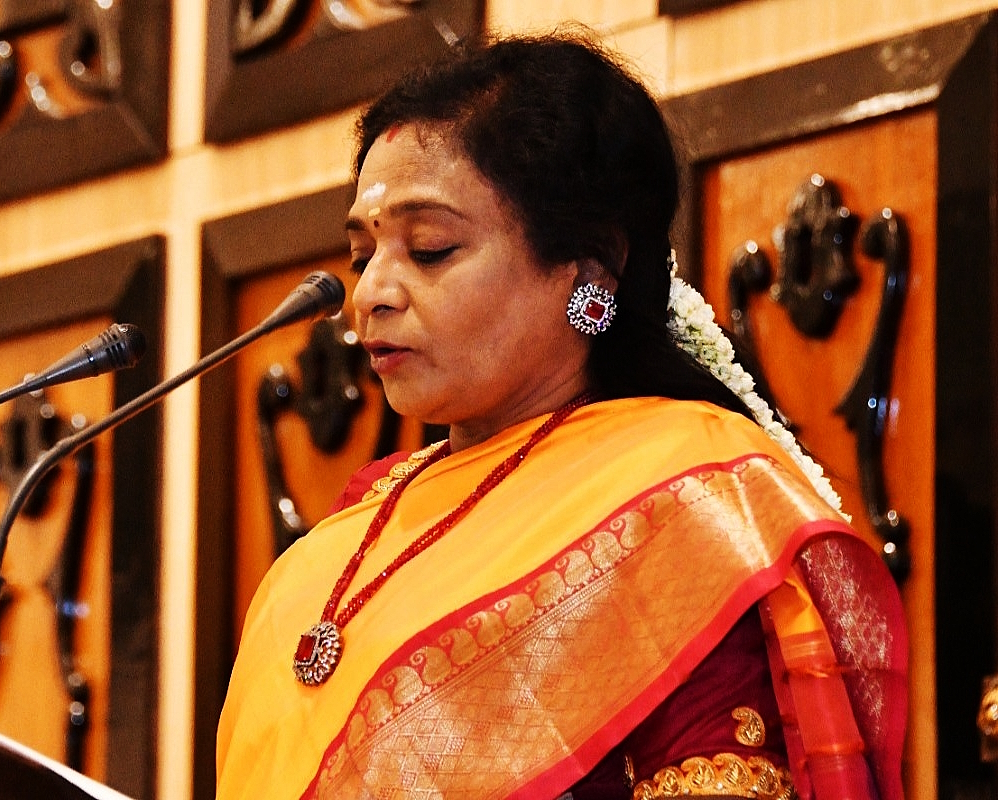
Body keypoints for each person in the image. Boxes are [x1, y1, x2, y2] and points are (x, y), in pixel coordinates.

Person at [215, 31, 907, 800]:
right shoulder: (356, 524)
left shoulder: (684, 507)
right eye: (361, 254)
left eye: (431, 248)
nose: (370, 292)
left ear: (587, 273)